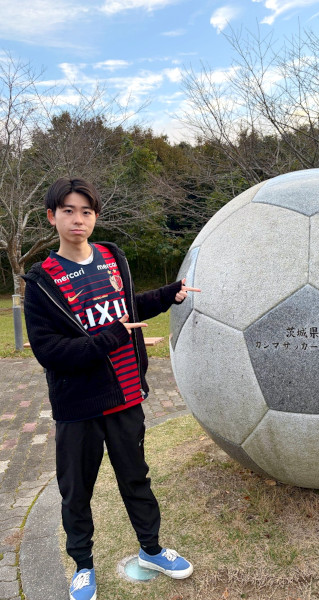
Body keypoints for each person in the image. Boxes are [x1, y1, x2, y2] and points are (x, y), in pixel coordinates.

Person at [23, 178, 200, 600]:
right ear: (51, 217)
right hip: (78, 406)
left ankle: (151, 550)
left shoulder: (111, 257)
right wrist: (109, 339)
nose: (78, 219)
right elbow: (49, 351)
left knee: (136, 479)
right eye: (68, 211)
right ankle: (83, 566)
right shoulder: (42, 281)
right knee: (76, 491)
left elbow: (126, 308)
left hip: (126, 395)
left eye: (86, 211)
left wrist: (167, 296)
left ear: (95, 216)